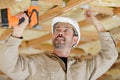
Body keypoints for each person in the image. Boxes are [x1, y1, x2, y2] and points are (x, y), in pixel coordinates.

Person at [0, 10, 118, 80]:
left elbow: (110, 55)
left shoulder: (84, 69)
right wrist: (18, 31)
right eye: (57, 29)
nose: (60, 32)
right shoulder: (36, 64)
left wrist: (96, 23)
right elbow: (7, 64)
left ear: (74, 39)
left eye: (66, 30)